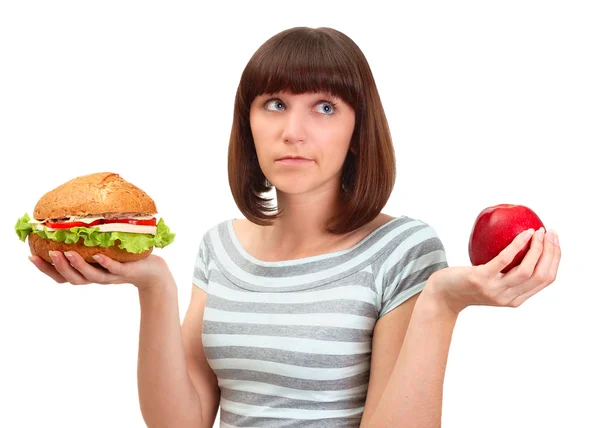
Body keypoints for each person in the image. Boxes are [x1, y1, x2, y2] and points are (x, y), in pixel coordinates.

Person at [29, 27, 561, 428]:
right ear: (249, 122)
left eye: (325, 107)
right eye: (275, 104)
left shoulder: (403, 249)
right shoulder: (220, 247)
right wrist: (154, 287)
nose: (293, 131)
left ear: (358, 131)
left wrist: (442, 303)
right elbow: (180, 422)